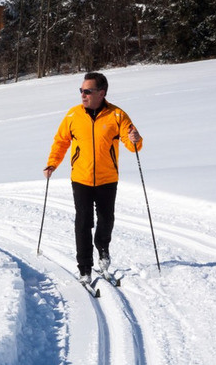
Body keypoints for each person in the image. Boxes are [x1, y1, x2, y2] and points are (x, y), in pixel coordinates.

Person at [43, 72, 142, 283]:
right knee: (83, 222)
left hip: (108, 179)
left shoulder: (117, 115)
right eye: (81, 90)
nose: (83, 95)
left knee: (106, 221)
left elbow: (131, 141)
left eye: (87, 91)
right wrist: (52, 163)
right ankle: (85, 267)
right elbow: (61, 142)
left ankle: (103, 252)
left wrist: (135, 138)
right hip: (81, 179)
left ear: (101, 93)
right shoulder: (73, 116)